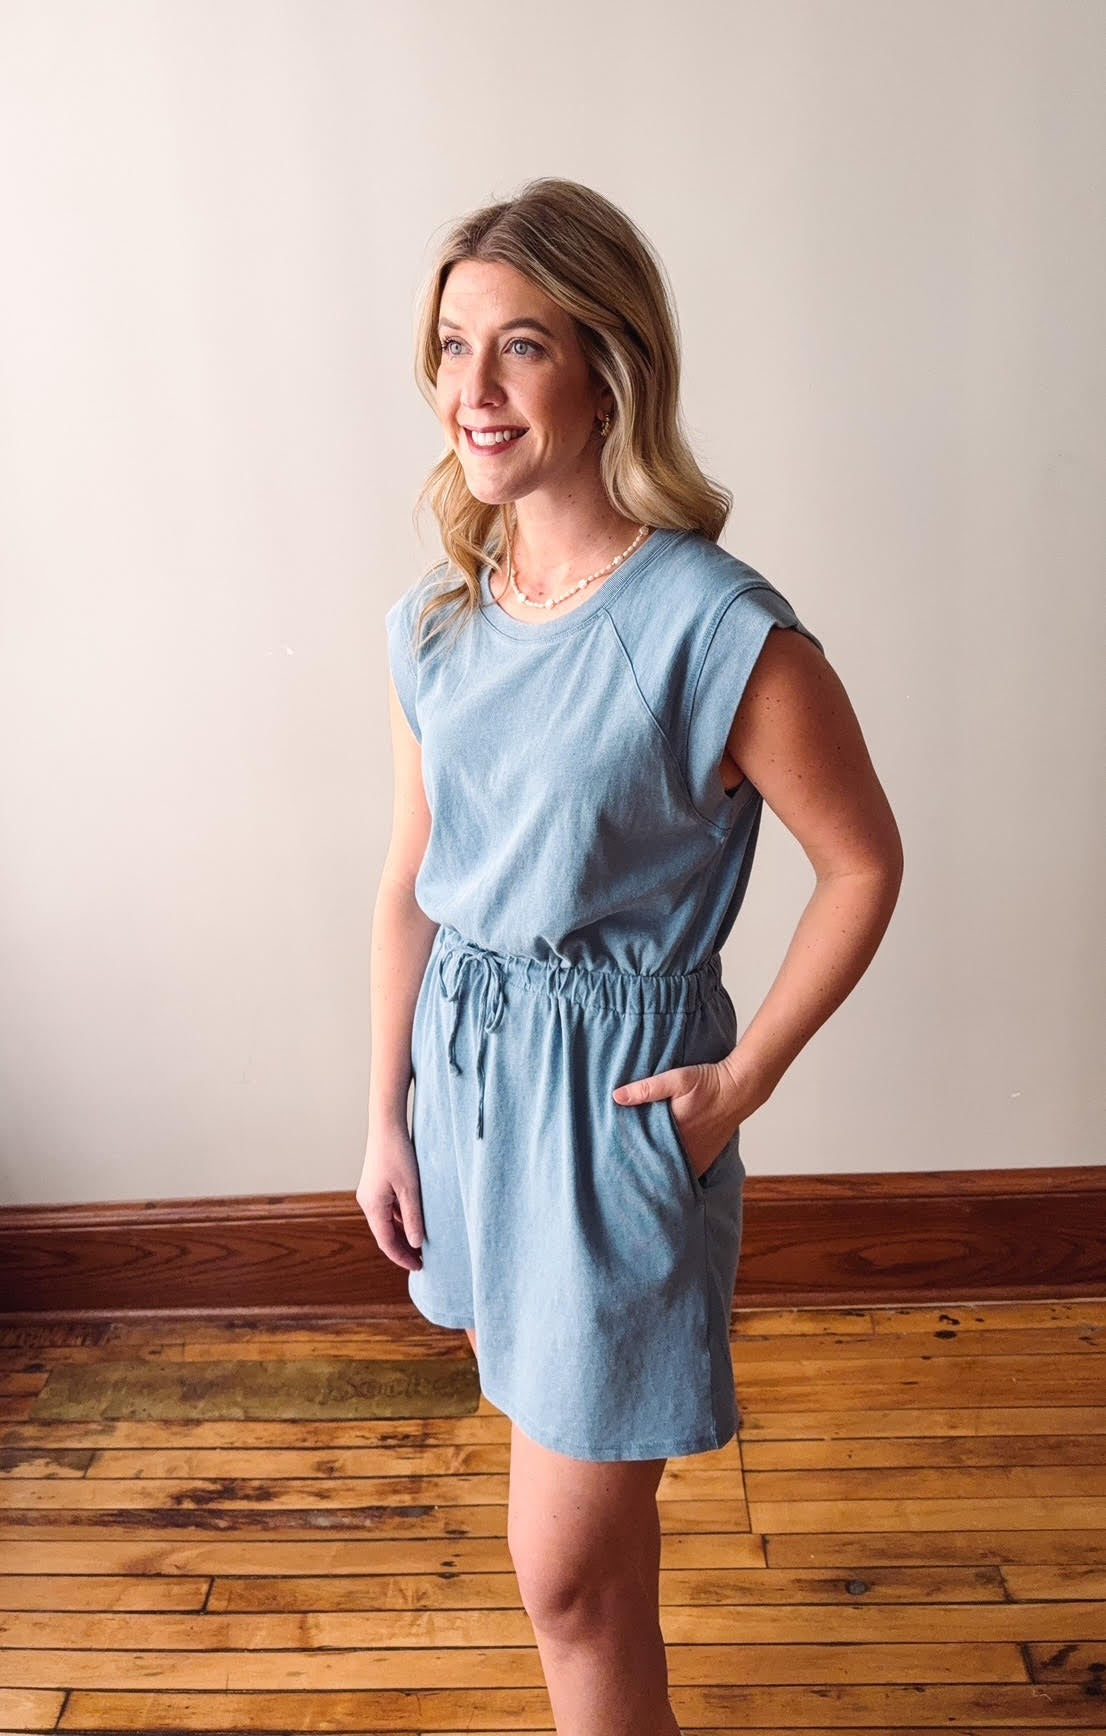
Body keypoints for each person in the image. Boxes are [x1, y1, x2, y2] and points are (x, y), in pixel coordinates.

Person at [358, 176, 903, 1736]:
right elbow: (413, 877)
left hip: (610, 1120)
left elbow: (861, 864)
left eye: (518, 347)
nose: (471, 392)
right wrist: (384, 1111)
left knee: (568, 1573)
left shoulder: (719, 629)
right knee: (575, 1546)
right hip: (466, 1087)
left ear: (608, 364)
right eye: (452, 347)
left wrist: (739, 1082)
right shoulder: (436, 622)